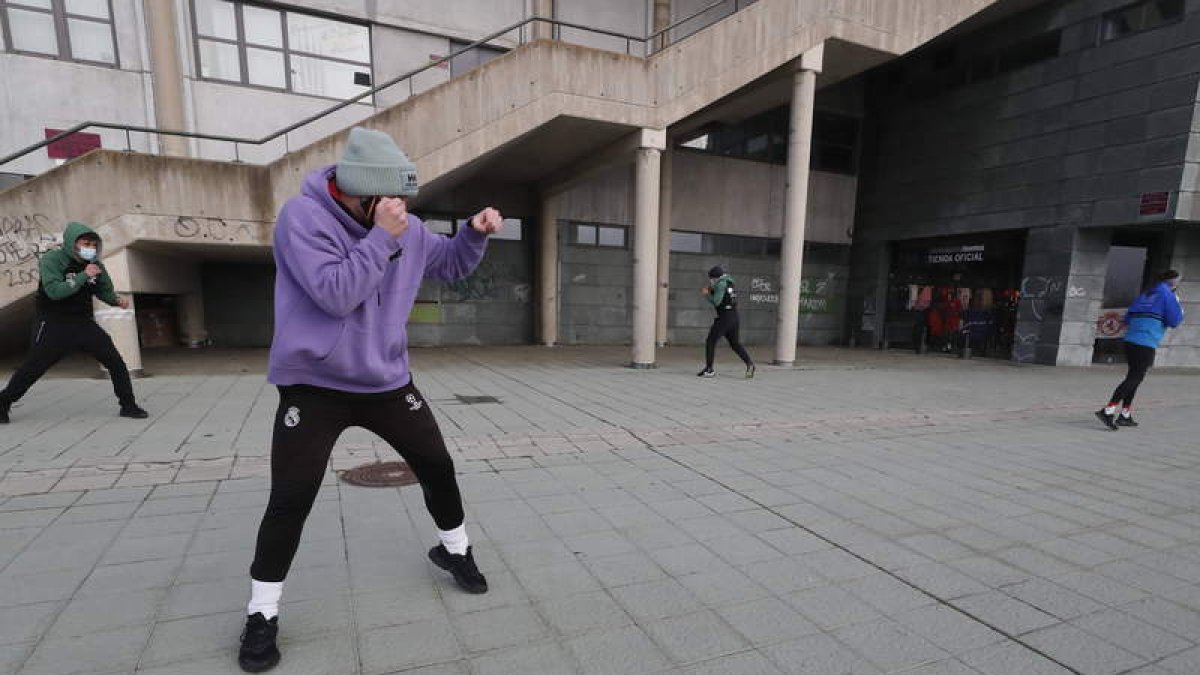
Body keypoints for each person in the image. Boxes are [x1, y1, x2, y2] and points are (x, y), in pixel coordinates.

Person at [237, 127, 503, 673]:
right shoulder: (301, 219)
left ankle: (454, 550)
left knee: (436, 463)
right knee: (291, 496)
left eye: (403, 201)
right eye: (385, 201)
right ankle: (262, 612)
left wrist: (473, 234)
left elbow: (449, 263)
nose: (397, 210)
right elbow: (335, 294)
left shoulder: (402, 224)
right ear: (355, 192)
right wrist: (382, 237)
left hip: (386, 381)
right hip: (314, 384)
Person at [0, 222, 148, 424]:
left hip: (82, 322)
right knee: (33, 367)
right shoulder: (52, 260)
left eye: (94, 244)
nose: (90, 248)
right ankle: (4, 401)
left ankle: (128, 405)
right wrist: (83, 275)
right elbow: (55, 292)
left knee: (115, 361)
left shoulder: (97, 265)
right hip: (53, 322)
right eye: (86, 243)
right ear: (72, 243)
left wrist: (115, 300)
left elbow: (103, 290)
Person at [1095, 269, 1184, 431]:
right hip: (1146, 341)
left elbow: (1128, 317)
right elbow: (1174, 321)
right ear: (1174, 283)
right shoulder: (1168, 296)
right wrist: (1178, 306)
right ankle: (1108, 410)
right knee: (1135, 378)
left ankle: (1125, 414)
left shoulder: (1146, 294)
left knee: (1134, 376)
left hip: (1130, 340)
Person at [697, 265, 755, 378]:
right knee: (735, 343)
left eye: (712, 279)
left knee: (711, 341)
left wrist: (706, 294)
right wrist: (712, 290)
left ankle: (709, 369)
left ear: (716, 278)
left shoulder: (721, 284)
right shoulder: (729, 283)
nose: (711, 281)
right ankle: (750, 364)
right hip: (734, 316)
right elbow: (724, 296)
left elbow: (717, 301)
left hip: (724, 317)